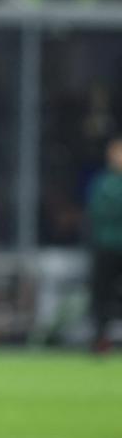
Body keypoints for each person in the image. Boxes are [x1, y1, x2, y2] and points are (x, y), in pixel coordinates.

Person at [87, 136, 122, 354]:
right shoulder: (102, 183)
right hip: (106, 246)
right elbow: (96, 213)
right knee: (101, 295)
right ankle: (101, 339)